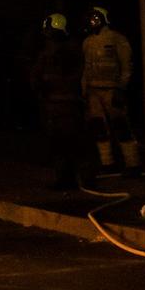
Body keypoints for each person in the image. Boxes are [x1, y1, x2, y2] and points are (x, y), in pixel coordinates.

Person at [81, 5, 139, 173]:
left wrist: (121, 88)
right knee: (99, 128)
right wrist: (84, 91)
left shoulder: (117, 39)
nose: (92, 21)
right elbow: (86, 68)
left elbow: (126, 65)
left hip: (112, 90)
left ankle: (133, 164)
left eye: (95, 17)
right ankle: (107, 163)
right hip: (93, 92)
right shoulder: (88, 42)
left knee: (121, 126)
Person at [31, 14, 84, 191]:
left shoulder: (46, 54)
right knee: (70, 144)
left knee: (60, 145)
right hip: (72, 105)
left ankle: (65, 180)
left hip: (55, 105)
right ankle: (75, 178)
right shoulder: (76, 51)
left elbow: (36, 80)